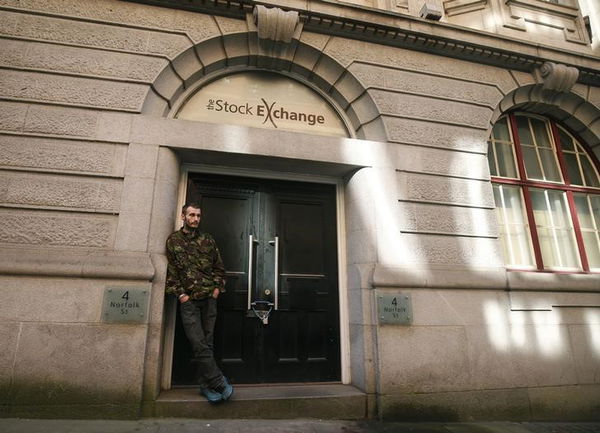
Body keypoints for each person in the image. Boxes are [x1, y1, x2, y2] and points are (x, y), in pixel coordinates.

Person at [165, 202, 233, 403]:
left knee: (207, 344)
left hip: (209, 300)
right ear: (183, 216)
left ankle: (206, 386)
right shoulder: (174, 241)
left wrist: (216, 290)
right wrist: (181, 296)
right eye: (191, 215)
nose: (195, 219)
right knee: (198, 343)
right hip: (189, 302)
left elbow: (220, 268)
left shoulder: (208, 240)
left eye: (198, 216)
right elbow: (172, 272)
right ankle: (219, 382)